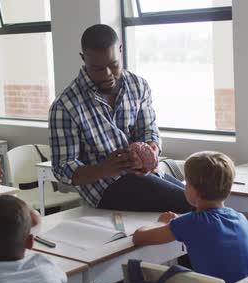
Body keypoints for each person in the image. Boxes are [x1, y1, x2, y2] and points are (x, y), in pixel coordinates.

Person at [49, 24, 190, 213]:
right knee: (191, 205)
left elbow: (148, 129)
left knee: (201, 201)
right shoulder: (65, 106)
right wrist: (105, 168)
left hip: (147, 174)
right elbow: (62, 168)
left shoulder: (138, 85)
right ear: (84, 58)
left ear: (121, 50)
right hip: (104, 187)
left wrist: (152, 149)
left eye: (113, 64)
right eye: (98, 68)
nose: (108, 74)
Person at [132, 151, 248, 283]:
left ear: (193, 190)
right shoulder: (240, 217)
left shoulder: (190, 223)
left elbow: (139, 237)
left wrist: (160, 223)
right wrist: (178, 223)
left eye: (186, 184)